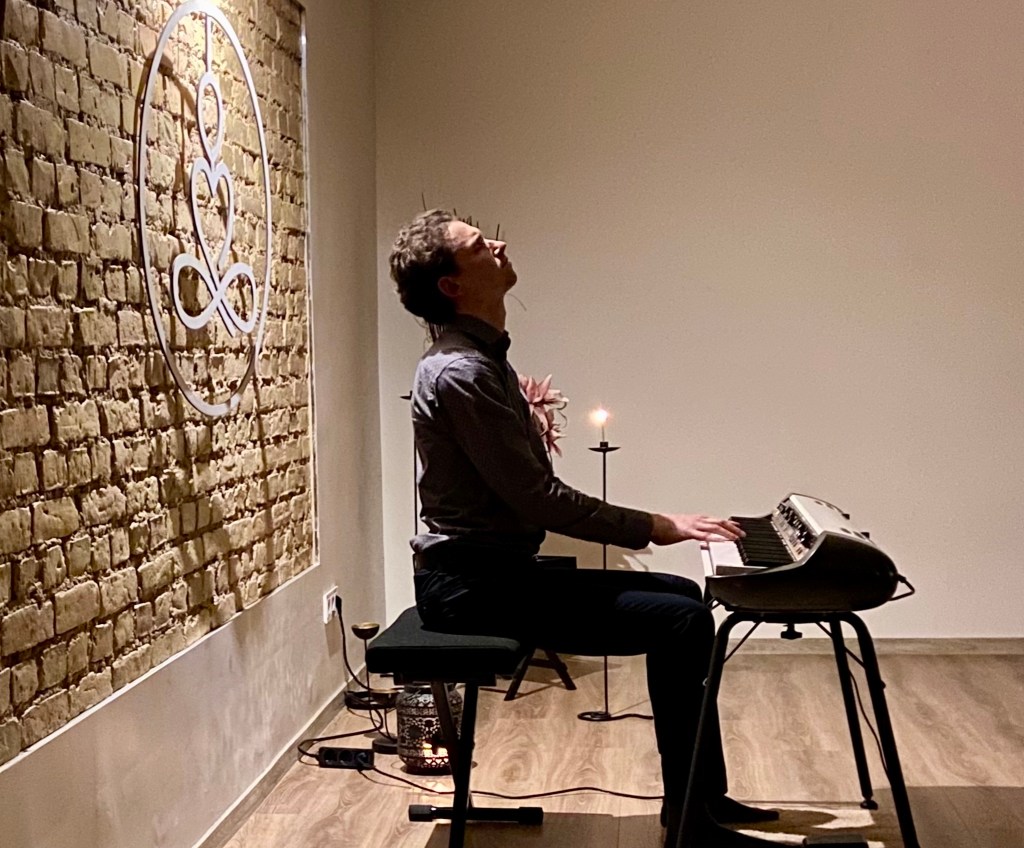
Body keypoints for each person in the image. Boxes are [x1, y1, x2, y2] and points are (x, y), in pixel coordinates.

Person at [389, 209, 777, 848]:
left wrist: (657, 527)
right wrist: (659, 525)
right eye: (479, 245)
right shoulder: (462, 371)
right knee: (681, 619)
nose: (500, 243)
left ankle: (699, 802)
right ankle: (693, 825)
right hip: (472, 589)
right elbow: (539, 499)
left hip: (493, 574)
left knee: (684, 601)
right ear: (452, 284)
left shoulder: (481, 361)